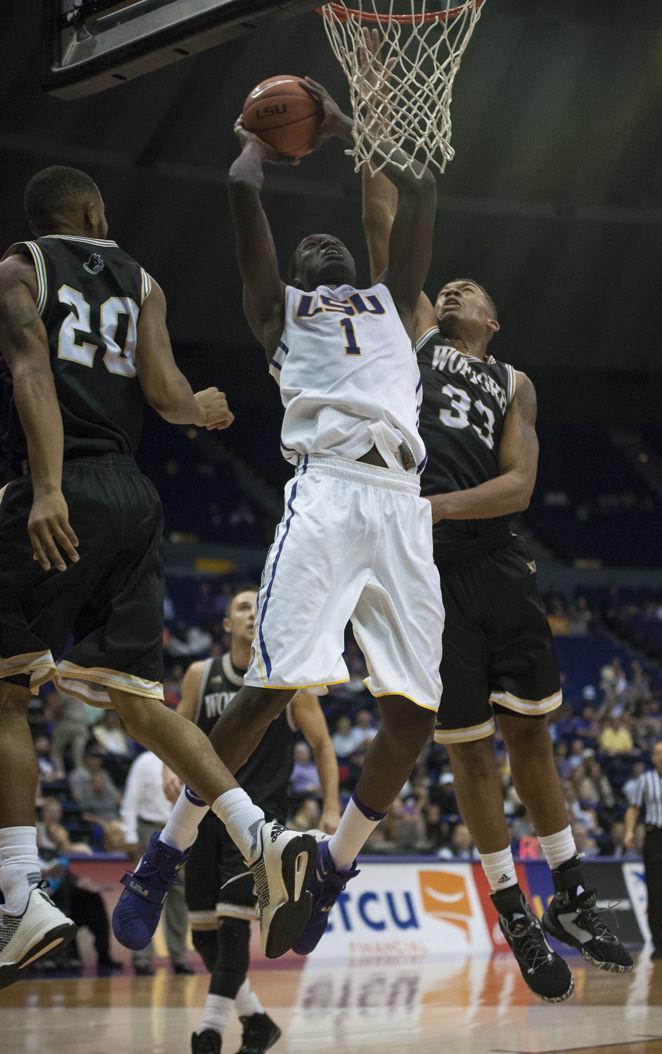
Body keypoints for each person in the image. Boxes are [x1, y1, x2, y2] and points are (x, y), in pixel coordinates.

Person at [123, 79, 444, 960]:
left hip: (403, 504)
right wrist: (258, 142)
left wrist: (352, 135)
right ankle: (168, 851)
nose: (322, 240)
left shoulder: (393, 300)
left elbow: (419, 196)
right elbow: (240, 192)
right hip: (330, 491)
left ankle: (333, 871)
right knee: (266, 691)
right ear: (294, 278)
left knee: (417, 713)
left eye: (332, 239)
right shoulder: (278, 313)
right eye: (308, 245)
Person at [359, 49, 632, 997]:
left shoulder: (516, 381)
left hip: (490, 555)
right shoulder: (421, 339)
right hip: (426, 574)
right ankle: (510, 909)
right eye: (452, 287)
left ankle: (568, 889)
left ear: (498, 320)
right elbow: (390, 250)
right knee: (467, 751)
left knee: (532, 740)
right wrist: (377, 139)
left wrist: (431, 503)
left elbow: (518, 488)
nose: (460, 290)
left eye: (477, 290)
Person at [0, 166, 314, 988]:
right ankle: (262, 838)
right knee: (140, 702)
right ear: (97, 214)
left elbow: (32, 370)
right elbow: (168, 394)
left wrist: (44, 488)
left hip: (63, 484)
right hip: (138, 499)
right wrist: (202, 407)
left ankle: (15, 890)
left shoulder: (20, 268)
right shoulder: (143, 281)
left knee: (4, 693)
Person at [175, 586, 340, 1054]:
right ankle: (258, 1024)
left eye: (257, 606)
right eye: (242, 607)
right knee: (205, 935)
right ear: (226, 624)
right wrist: (172, 774)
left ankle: (209, 1031)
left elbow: (324, 745)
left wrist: (330, 806)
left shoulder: (289, 682)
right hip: (204, 817)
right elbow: (180, 732)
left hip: (258, 825)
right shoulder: (199, 674)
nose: (251, 613)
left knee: (232, 931)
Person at [120, 748, 192, 977]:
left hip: (180, 829)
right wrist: (130, 835)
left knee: (179, 896)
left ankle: (179, 955)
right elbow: (131, 800)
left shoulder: (185, 759)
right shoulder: (144, 761)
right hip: (149, 828)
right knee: (143, 892)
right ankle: (141, 957)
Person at [624, 740, 662, 960]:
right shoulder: (645, 780)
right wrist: (629, 832)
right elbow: (633, 809)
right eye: (657, 753)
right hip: (655, 837)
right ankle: (658, 943)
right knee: (654, 891)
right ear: (652, 758)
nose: (661, 757)